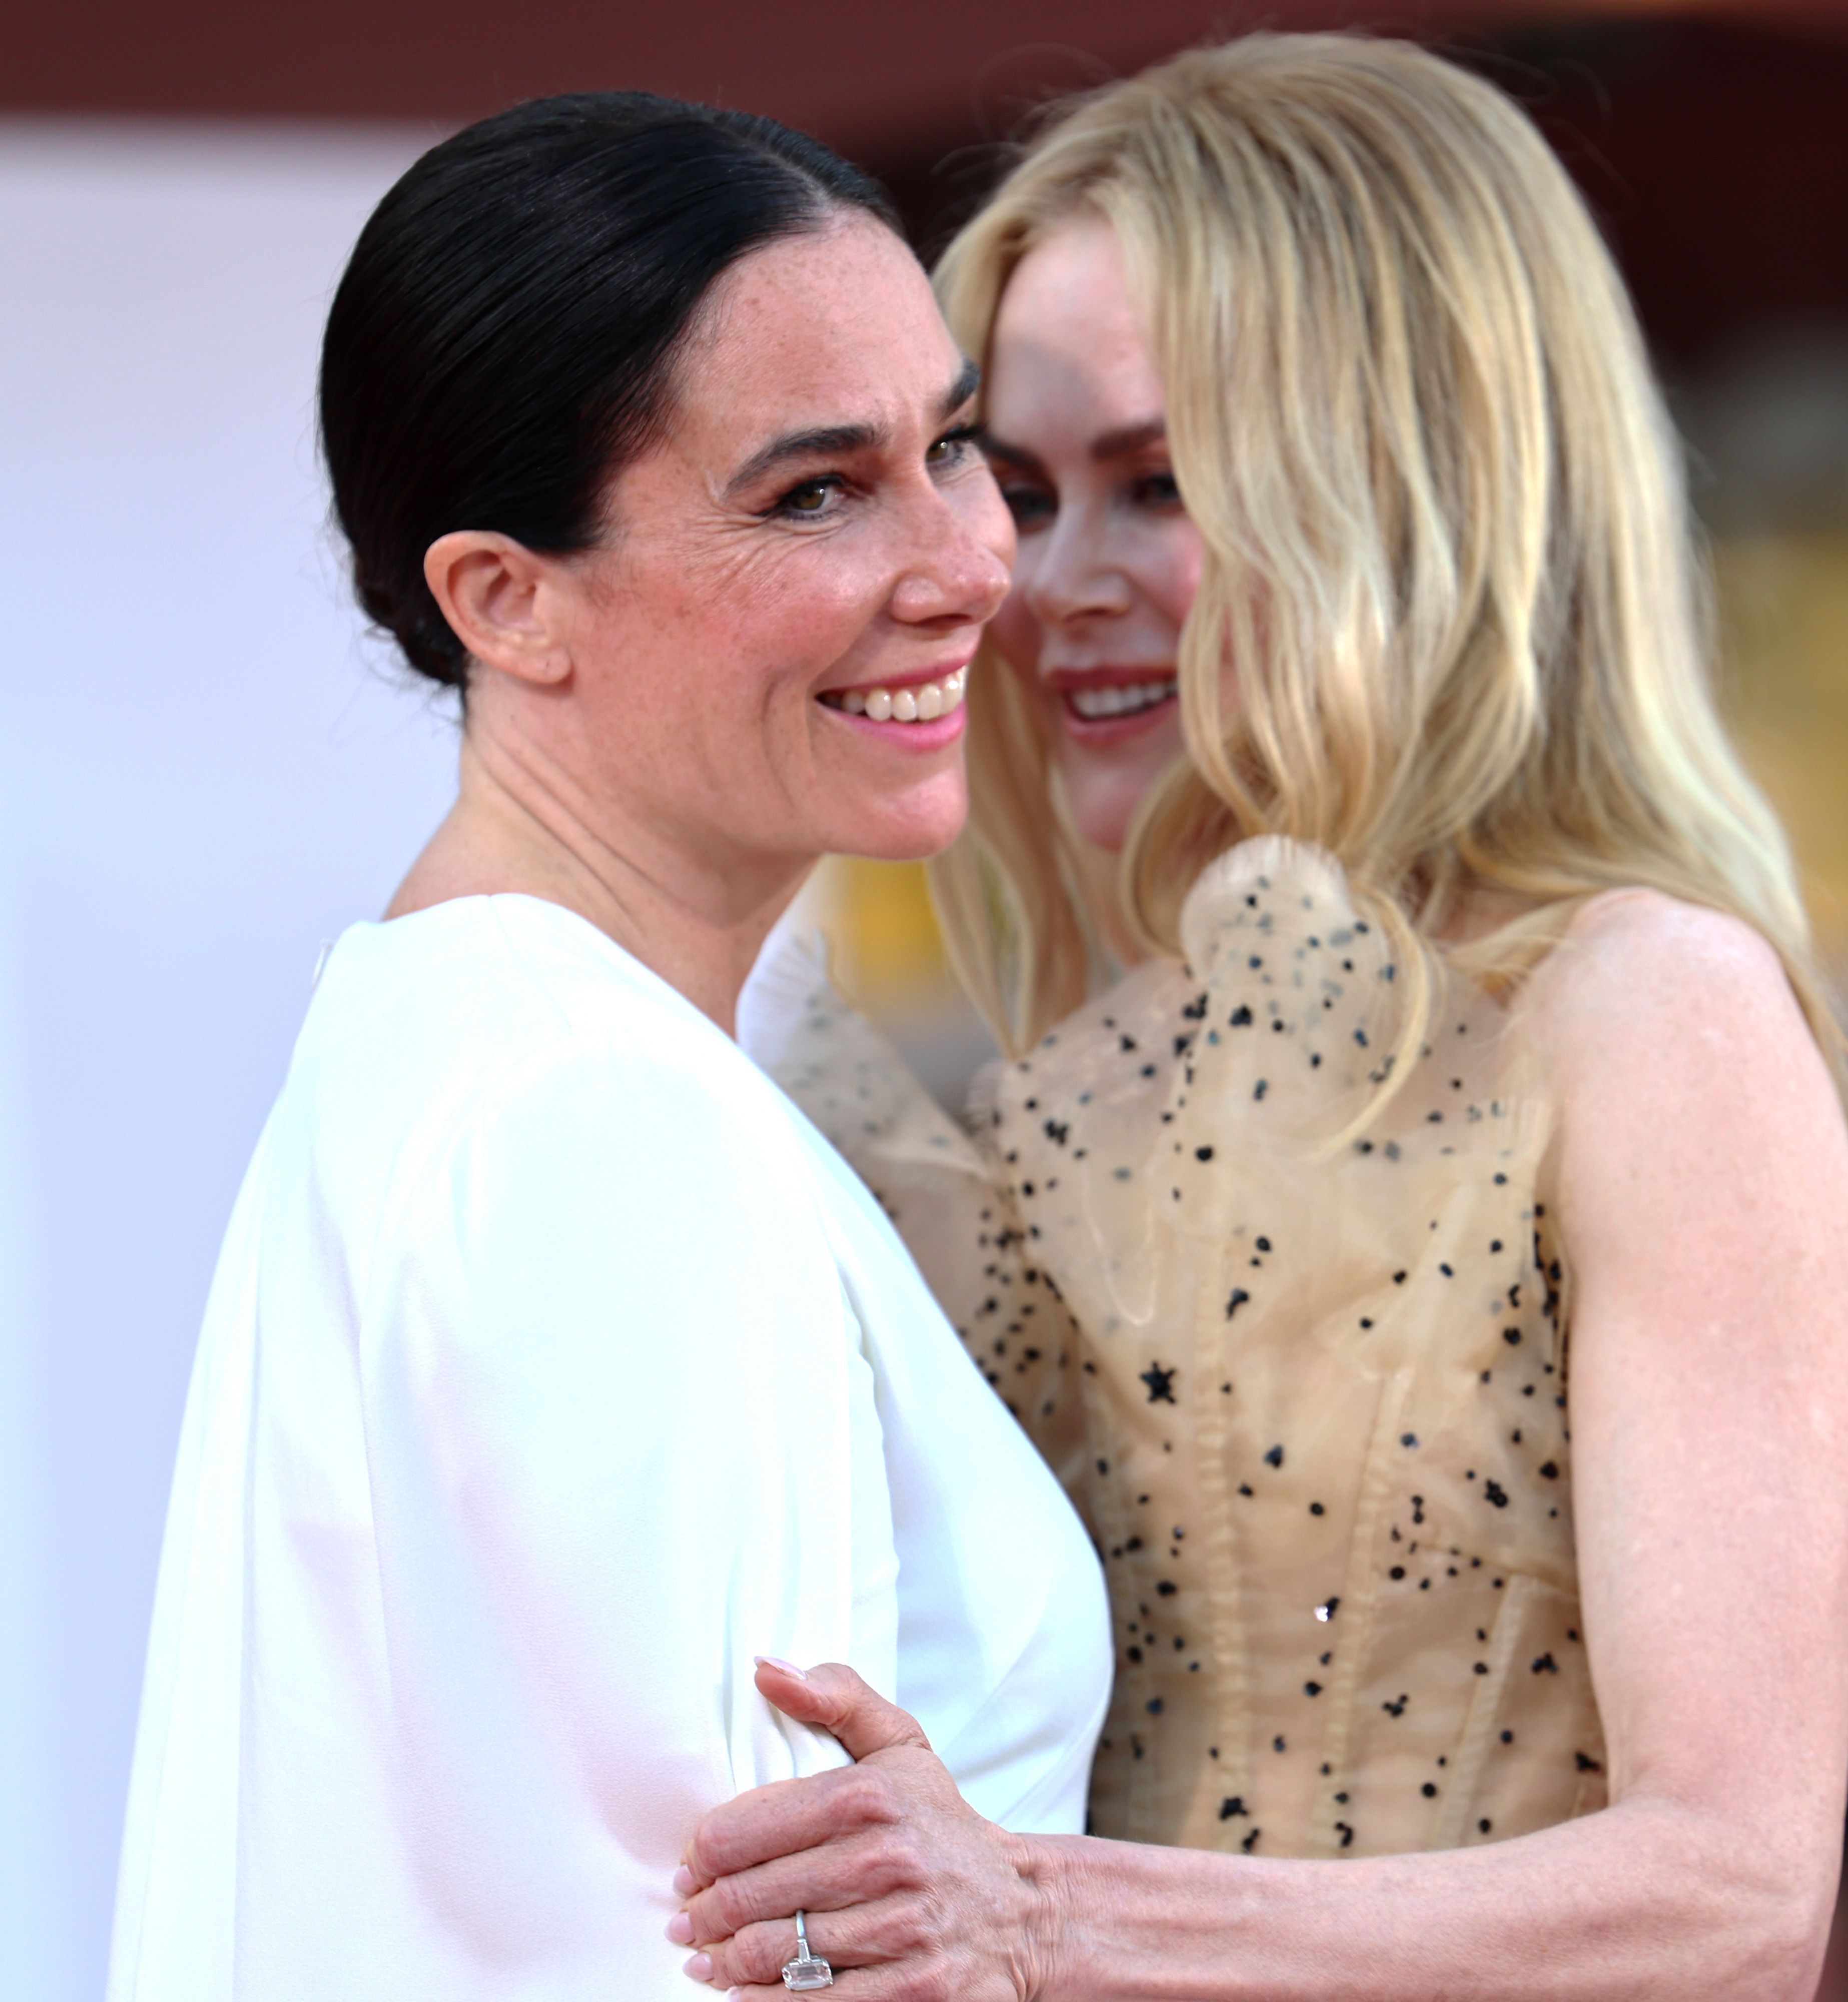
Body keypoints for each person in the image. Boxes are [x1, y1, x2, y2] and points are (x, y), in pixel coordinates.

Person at [678, 33, 1848, 1998]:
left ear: (1406, 497)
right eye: (1018, 486)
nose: (1055, 580)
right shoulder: (1095, 1063)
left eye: (1160, 483)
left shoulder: (1641, 1008)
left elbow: (1734, 1897)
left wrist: (1039, 1909)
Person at [106, 94, 1109, 1999]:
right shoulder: (601, 1114)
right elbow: (766, 1959)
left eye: (952, 443)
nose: (972, 559)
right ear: (504, 595)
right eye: (817, 491)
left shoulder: (448, 1044)